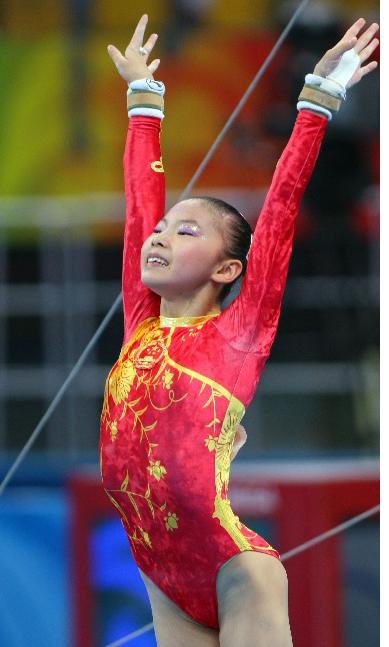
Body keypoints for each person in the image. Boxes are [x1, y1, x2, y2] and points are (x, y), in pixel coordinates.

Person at [101, 14, 378, 647]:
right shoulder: (140, 326)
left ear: (230, 268)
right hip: (162, 574)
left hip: (236, 569)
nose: (161, 235)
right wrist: (144, 101)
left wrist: (318, 101)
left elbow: (279, 212)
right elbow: (138, 206)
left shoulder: (238, 334)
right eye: (164, 229)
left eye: (187, 231)